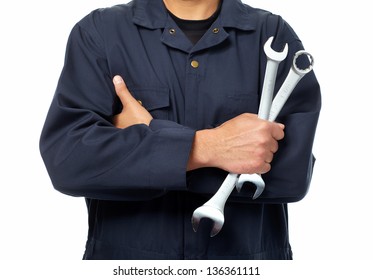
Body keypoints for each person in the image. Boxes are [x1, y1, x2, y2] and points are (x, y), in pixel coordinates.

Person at [40, 0, 321, 260]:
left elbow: (292, 176)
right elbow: (68, 160)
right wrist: (208, 148)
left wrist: (149, 143)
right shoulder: (100, 33)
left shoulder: (271, 33)